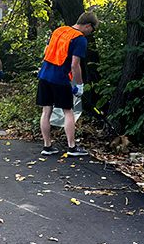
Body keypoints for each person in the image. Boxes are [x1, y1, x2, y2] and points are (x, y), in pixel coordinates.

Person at [37, 11, 98, 157]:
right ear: (88, 26)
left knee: (46, 111)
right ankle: (72, 147)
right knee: (68, 111)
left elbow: (46, 51)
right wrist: (80, 85)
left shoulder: (59, 30)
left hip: (44, 75)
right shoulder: (80, 39)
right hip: (60, 78)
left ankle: (47, 146)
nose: (91, 33)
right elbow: (74, 65)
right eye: (92, 29)